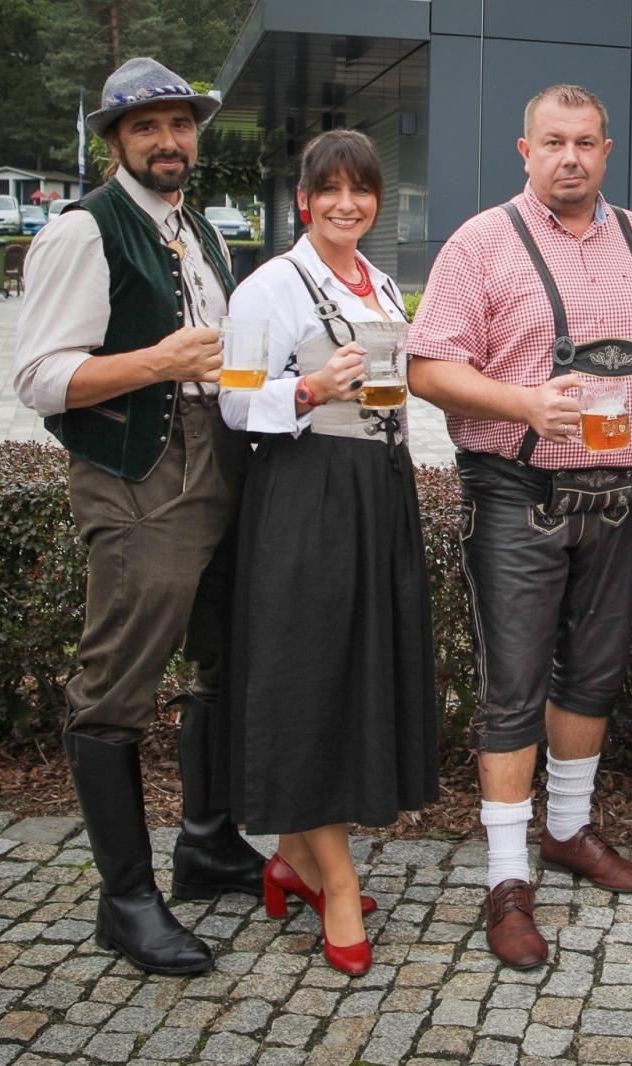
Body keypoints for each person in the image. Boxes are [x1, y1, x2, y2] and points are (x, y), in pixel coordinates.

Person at [406, 84, 632, 969]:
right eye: (553, 143)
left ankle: (568, 830)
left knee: (595, 676)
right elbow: (425, 368)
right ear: (525, 152)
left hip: (616, 494)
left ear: (607, 151)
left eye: (586, 143)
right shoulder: (481, 243)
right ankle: (505, 879)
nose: (570, 157)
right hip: (515, 491)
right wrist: (524, 401)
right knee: (513, 686)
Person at [11, 57, 263, 975]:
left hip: (221, 455)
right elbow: (40, 378)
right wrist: (158, 361)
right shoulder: (84, 230)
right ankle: (125, 899)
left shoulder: (199, 227)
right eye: (147, 127)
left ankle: (206, 841)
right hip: (138, 474)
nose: (168, 141)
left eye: (180, 124)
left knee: (222, 657)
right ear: (115, 141)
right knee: (115, 686)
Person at [221, 129, 439, 977]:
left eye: (364, 189)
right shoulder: (271, 286)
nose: (348, 204)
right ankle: (335, 885)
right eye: (331, 190)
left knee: (351, 674)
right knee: (308, 675)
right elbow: (236, 403)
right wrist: (310, 388)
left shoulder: (379, 281)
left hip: (376, 488)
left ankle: (293, 855)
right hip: (306, 490)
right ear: (305, 199)